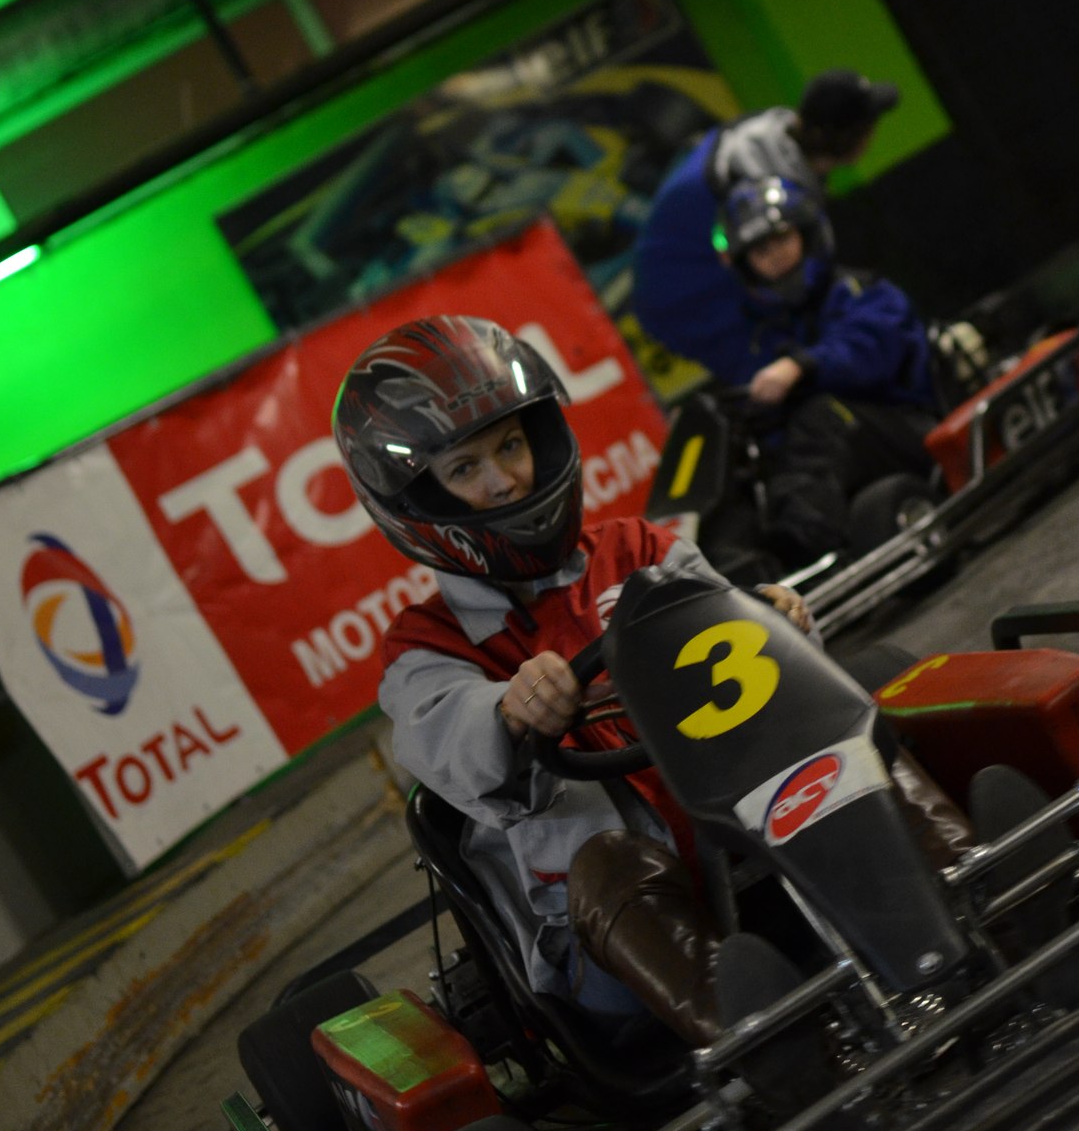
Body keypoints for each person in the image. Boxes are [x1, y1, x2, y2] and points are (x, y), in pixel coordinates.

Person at [332, 312, 968, 1050]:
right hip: (614, 949)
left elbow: (762, 678)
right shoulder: (425, 648)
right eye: (464, 470)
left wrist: (775, 622)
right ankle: (765, 1045)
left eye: (509, 446)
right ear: (418, 503)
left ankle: (976, 886)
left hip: (755, 844)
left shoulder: (638, 551)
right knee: (611, 861)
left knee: (847, 736)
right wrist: (507, 710)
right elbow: (445, 736)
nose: (505, 481)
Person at [714, 175, 938, 567]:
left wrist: (802, 366)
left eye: (781, 239)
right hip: (844, 457)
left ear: (806, 234)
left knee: (821, 415)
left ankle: (807, 546)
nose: (774, 255)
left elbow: (871, 353)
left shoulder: (860, 291)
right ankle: (739, 564)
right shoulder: (765, 332)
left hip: (906, 425)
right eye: (761, 251)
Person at [632, 69, 900, 380]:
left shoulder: (771, 132)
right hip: (688, 300)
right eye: (867, 127)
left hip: (695, 281)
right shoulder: (762, 197)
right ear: (847, 139)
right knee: (798, 380)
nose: (872, 135)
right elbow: (786, 283)